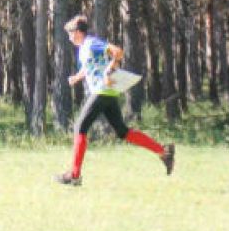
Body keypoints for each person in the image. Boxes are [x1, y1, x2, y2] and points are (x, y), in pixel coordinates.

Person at [56, 15, 174, 186]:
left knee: (80, 128)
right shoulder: (83, 48)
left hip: (102, 91)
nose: (69, 37)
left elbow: (118, 52)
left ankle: (74, 175)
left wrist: (111, 68)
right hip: (109, 93)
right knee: (123, 132)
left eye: (71, 33)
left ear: (79, 32)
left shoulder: (92, 43)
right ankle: (164, 152)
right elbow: (90, 67)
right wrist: (77, 77)